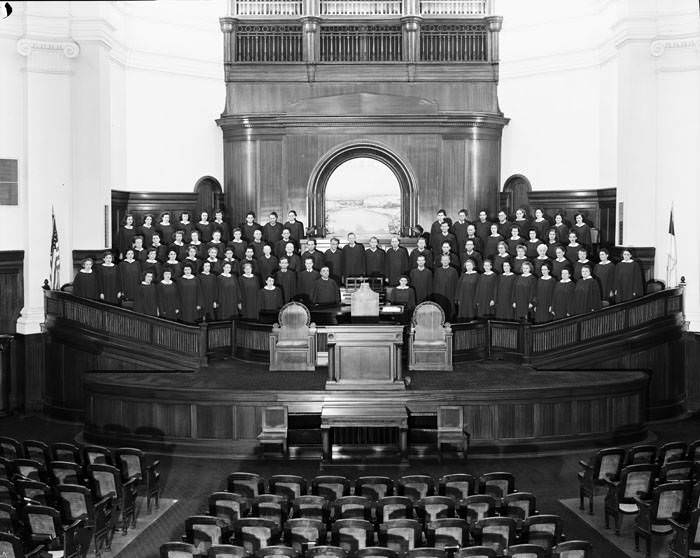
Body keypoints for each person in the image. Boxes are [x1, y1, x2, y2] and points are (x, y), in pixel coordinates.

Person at [431, 253, 459, 320]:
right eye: (443, 260)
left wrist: (456, 296)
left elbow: (456, 284)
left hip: (450, 295)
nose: (445, 261)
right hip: (440, 295)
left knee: (450, 314)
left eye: (446, 260)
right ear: (441, 261)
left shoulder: (454, 271)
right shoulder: (437, 271)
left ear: (449, 261)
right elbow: (434, 284)